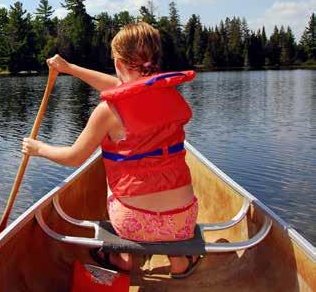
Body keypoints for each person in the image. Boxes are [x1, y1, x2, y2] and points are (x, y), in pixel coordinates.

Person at [22, 22, 199, 278]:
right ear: (155, 59)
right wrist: (69, 68)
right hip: (182, 222)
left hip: (132, 224)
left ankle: (122, 257)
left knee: (109, 167)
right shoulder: (172, 95)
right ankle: (180, 260)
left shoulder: (107, 112)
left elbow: (74, 157)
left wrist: (39, 148)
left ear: (118, 63)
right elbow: (124, 86)